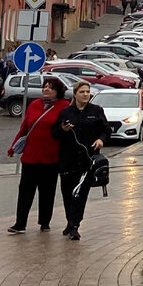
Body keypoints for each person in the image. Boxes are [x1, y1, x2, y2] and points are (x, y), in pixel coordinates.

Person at [6, 75, 66, 234]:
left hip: (51, 157)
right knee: (25, 191)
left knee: (47, 192)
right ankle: (20, 223)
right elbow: (24, 128)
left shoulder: (64, 107)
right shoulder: (34, 105)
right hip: (31, 156)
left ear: (57, 91)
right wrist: (13, 147)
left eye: (50, 87)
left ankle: (45, 222)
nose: (46, 89)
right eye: (45, 86)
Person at [52, 80, 110, 241]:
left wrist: (101, 140)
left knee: (80, 194)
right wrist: (62, 129)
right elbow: (55, 134)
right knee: (67, 194)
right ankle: (69, 222)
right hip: (67, 160)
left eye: (87, 92)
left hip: (87, 161)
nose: (85, 94)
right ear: (75, 94)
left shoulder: (96, 111)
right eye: (82, 92)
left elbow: (106, 130)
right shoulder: (66, 112)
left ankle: (75, 225)